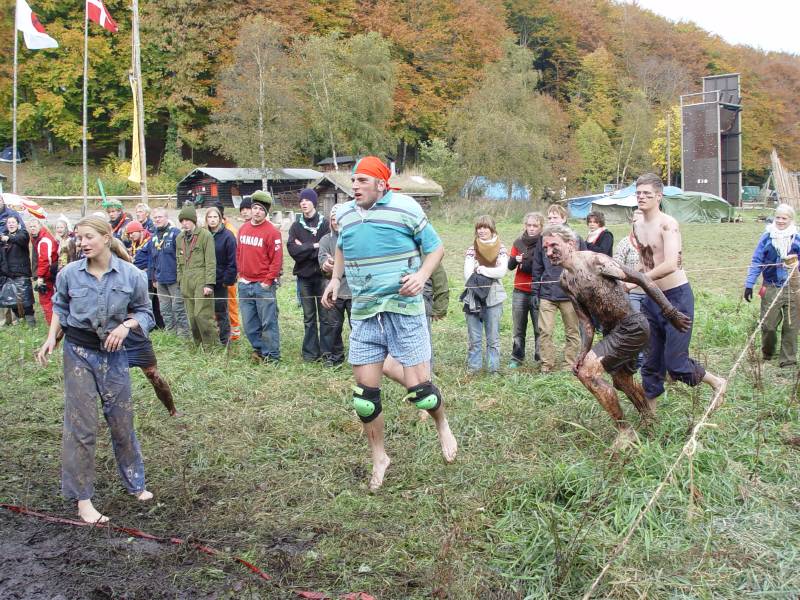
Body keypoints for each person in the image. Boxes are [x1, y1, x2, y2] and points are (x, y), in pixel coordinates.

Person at [321, 156, 457, 491]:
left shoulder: (406, 207)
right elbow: (343, 246)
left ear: (381, 185)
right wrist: (335, 279)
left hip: (403, 309)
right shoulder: (345, 214)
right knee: (364, 399)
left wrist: (421, 276)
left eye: (362, 181)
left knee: (422, 392)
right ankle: (379, 457)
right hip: (365, 312)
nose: (354, 186)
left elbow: (436, 249)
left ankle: (442, 424)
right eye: (353, 180)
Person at [36, 216, 155, 524]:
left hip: (115, 357)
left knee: (121, 422)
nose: (82, 243)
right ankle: (83, 500)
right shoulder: (69, 274)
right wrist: (51, 337)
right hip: (78, 352)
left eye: (88, 236)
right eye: (79, 238)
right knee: (82, 426)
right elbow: (60, 307)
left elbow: (145, 312)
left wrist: (126, 326)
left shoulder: (131, 275)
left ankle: (136, 483)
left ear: (106, 237)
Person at [540, 224, 691, 448]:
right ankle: (650, 421)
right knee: (622, 381)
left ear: (570, 244)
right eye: (545, 248)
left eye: (554, 245)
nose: (550, 252)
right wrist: (583, 353)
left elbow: (642, 279)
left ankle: (625, 430)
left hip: (633, 326)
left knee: (587, 374)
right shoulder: (565, 281)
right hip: (612, 332)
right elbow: (586, 322)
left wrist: (670, 312)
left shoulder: (595, 261)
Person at [633, 173, 726, 406]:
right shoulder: (636, 225)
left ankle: (717, 382)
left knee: (676, 364)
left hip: (676, 298)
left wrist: (638, 280)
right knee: (651, 362)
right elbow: (645, 261)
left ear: (659, 196)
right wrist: (625, 278)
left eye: (647, 194)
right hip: (651, 300)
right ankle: (649, 416)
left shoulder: (668, 224)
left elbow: (671, 264)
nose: (641, 197)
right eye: (638, 193)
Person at [529, 204, 584, 372]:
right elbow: (537, 266)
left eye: (556, 217)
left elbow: (584, 265)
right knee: (544, 331)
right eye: (550, 217)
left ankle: (569, 364)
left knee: (572, 331)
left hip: (570, 294)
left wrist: (582, 292)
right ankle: (547, 364)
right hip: (547, 293)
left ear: (564, 218)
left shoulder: (575, 239)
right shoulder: (543, 239)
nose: (552, 220)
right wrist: (535, 291)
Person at [744, 203, 800, 369]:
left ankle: (788, 360)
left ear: (791, 220)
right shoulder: (767, 237)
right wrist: (749, 284)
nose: (780, 221)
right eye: (778, 217)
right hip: (771, 286)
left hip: (794, 287)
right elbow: (757, 260)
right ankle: (768, 353)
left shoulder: (797, 237)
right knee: (768, 326)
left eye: (784, 218)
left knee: (791, 326)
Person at [237, 190, 283, 362]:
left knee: (268, 322)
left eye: (261, 209)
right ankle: (259, 350)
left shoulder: (272, 232)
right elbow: (238, 252)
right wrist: (240, 274)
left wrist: (268, 281)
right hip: (244, 284)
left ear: (266, 212)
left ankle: (272, 356)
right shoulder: (243, 229)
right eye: (255, 208)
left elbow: (277, 260)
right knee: (249, 323)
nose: (257, 212)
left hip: (263, 285)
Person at [287, 189, 333, 362]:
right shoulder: (296, 226)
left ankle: (327, 353)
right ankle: (310, 354)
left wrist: (304, 247)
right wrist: (313, 246)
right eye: (301, 201)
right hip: (304, 277)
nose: (303, 203)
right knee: (309, 317)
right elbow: (293, 251)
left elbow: (326, 250)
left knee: (325, 315)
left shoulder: (325, 224)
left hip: (322, 276)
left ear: (314, 202)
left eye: (307, 200)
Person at [461, 215, 508, 374]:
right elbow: (468, 275)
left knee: (493, 338)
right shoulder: (472, 249)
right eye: (479, 228)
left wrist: (481, 269)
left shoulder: (501, 248)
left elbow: (501, 272)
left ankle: (493, 369)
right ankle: (474, 368)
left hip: (494, 297)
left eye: (485, 227)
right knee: (474, 338)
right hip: (473, 296)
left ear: (492, 229)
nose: (481, 231)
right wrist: (491, 271)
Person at [176, 204, 217, 349]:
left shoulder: (205, 235)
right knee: (192, 317)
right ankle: (198, 345)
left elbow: (211, 261)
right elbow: (178, 262)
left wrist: (209, 284)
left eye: (187, 220)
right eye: (182, 221)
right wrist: (180, 281)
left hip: (201, 279)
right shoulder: (179, 238)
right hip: (186, 280)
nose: (184, 223)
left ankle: (211, 347)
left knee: (202, 315)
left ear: (193, 220)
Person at [508, 212, 543, 368]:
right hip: (520, 290)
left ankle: (540, 357)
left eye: (535, 225)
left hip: (538, 291)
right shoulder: (518, 243)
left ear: (541, 227)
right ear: (525, 226)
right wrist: (515, 260)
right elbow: (509, 266)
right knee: (518, 328)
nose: (532, 228)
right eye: (529, 225)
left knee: (539, 328)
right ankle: (517, 357)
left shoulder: (544, 243)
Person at [319, 203, 351, 366]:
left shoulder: (354, 237)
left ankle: (360, 357)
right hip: (334, 291)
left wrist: (340, 266)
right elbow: (323, 260)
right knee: (333, 327)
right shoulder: (325, 240)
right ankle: (335, 357)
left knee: (358, 326)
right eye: (333, 219)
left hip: (353, 291)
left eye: (338, 218)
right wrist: (327, 264)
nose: (336, 222)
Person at [150, 207, 190, 337]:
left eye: (160, 217)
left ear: (166, 218)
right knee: (165, 309)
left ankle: (184, 336)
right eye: (155, 218)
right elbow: (152, 258)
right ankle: (171, 335)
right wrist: (153, 277)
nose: (157, 220)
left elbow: (184, 256)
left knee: (178, 308)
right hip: (160, 279)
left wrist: (183, 276)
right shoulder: (153, 236)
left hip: (175, 279)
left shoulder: (176, 233)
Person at [205, 205, 237, 345]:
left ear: (220, 218)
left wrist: (227, 280)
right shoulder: (204, 235)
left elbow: (233, 260)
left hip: (220, 279)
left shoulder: (228, 236)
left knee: (221, 310)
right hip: (206, 279)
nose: (212, 220)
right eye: (210, 217)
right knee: (206, 310)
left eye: (215, 217)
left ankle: (225, 340)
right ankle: (210, 338)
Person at [0, 216, 36, 326]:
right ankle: (21, 321)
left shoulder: (23, 234)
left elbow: (21, 240)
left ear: (17, 224)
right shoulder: (3, 236)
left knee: (26, 300)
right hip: (8, 274)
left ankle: (31, 323)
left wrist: (8, 238)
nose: (11, 224)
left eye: (13, 222)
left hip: (21, 272)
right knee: (12, 300)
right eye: (9, 223)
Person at [28, 218, 58, 325]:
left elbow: (44, 260)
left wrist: (40, 276)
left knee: (46, 300)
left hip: (47, 275)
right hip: (50, 272)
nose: (32, 228)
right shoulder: (38, 237)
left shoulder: (44, 240)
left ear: (40, 226)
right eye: (30, 226)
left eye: (34, 226)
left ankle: (52, 325)